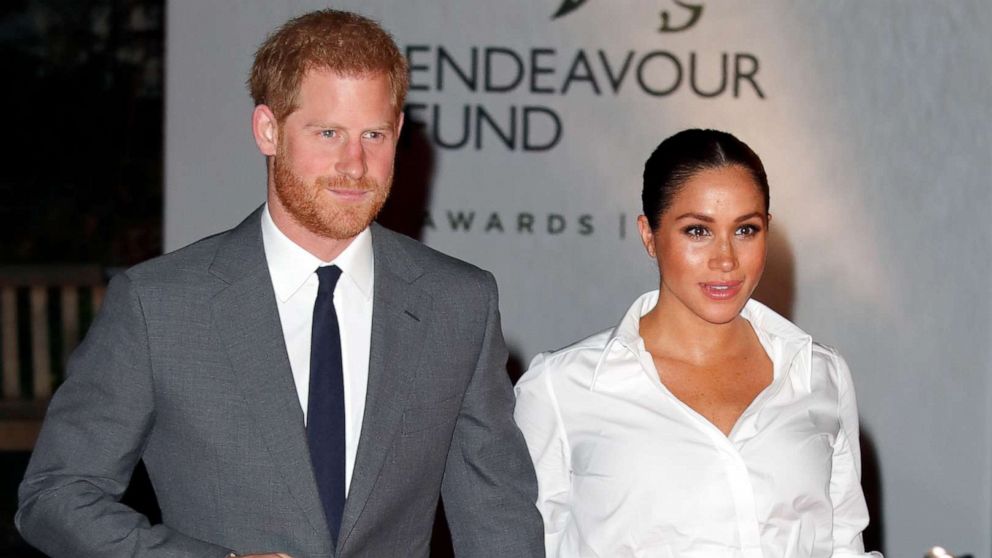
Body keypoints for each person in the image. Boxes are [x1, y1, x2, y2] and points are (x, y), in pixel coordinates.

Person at [17, 10, 543, 558]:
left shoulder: (458, 304)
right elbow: (57, 495)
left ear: (399, 132)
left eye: (374, 134)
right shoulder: (160, 305)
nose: (355, 164)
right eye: (328, 133)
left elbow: (497, 515)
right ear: (268, 130)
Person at [513, 129, 880, 557]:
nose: (725, 259)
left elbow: (845, 546)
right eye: (697, 231)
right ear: (649, 234)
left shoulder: (819, 374)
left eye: (745, 229)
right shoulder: (561, 389)